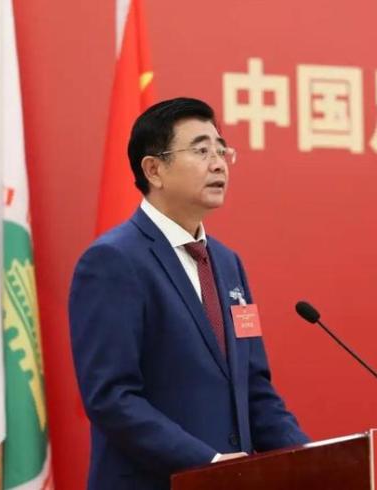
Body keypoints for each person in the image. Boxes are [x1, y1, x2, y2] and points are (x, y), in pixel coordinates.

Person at [69, 97, 309, 490]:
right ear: (154, 169)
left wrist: (310, 459)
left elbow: (254, 390)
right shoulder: (113, 261)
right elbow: (111, 398)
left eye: (222, 150)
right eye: (201, 151)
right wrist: (206, 464)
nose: (219, 164)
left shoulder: (228, 264)